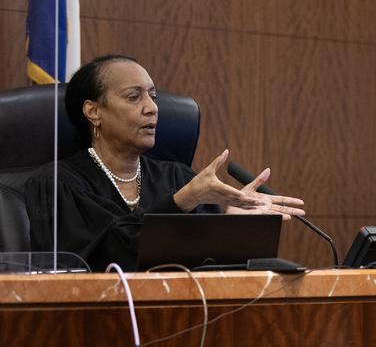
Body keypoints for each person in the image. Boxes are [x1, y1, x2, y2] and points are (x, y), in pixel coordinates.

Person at [25, 54, 305, 271]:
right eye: (134, 97)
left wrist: (232, 226)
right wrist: (180, 202)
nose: (152, 107)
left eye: (153, 96)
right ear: (93, 111)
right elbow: (110, 256)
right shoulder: (57, 184)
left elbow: (212, 269)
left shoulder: (178, 178)